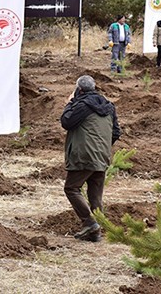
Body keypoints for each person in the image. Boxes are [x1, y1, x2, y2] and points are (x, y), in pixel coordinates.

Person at [61, 75, 121, 242]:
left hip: (84, 155)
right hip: (102, 155)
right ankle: (96, 232)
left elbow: (66, 122)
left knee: (72, 189)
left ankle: (90, 223)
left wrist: (70, 103)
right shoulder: (108, 106)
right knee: (95, 195)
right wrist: (102, 146)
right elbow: (116, 132)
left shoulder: (81, 105)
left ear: (79, 90)